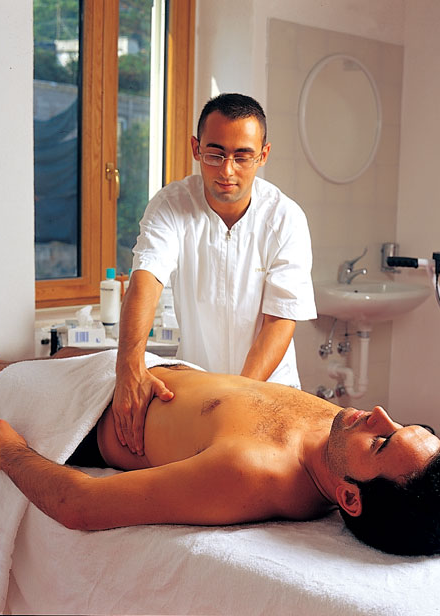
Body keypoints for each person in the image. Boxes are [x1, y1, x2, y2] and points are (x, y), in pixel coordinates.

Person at [0, 313, 440, 556]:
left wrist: (12, 453)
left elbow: (81, 506)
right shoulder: (340, 437)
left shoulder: (253, 473)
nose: (379, 415)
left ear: (349, 497)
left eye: (383, 442)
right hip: (144, 373)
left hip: (92, 412)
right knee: (56, 356)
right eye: (400, 423)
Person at [114, 92, 316, 458]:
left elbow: (280, 320)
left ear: (263, 155)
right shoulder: (171, 205)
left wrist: (238, 399)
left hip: (270, 391)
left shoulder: (285, 219)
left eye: (242, 156)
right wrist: (128, 369)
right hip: (197, 388)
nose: (227, 171)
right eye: (215, 154)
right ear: (196, 148)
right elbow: (146, 280)